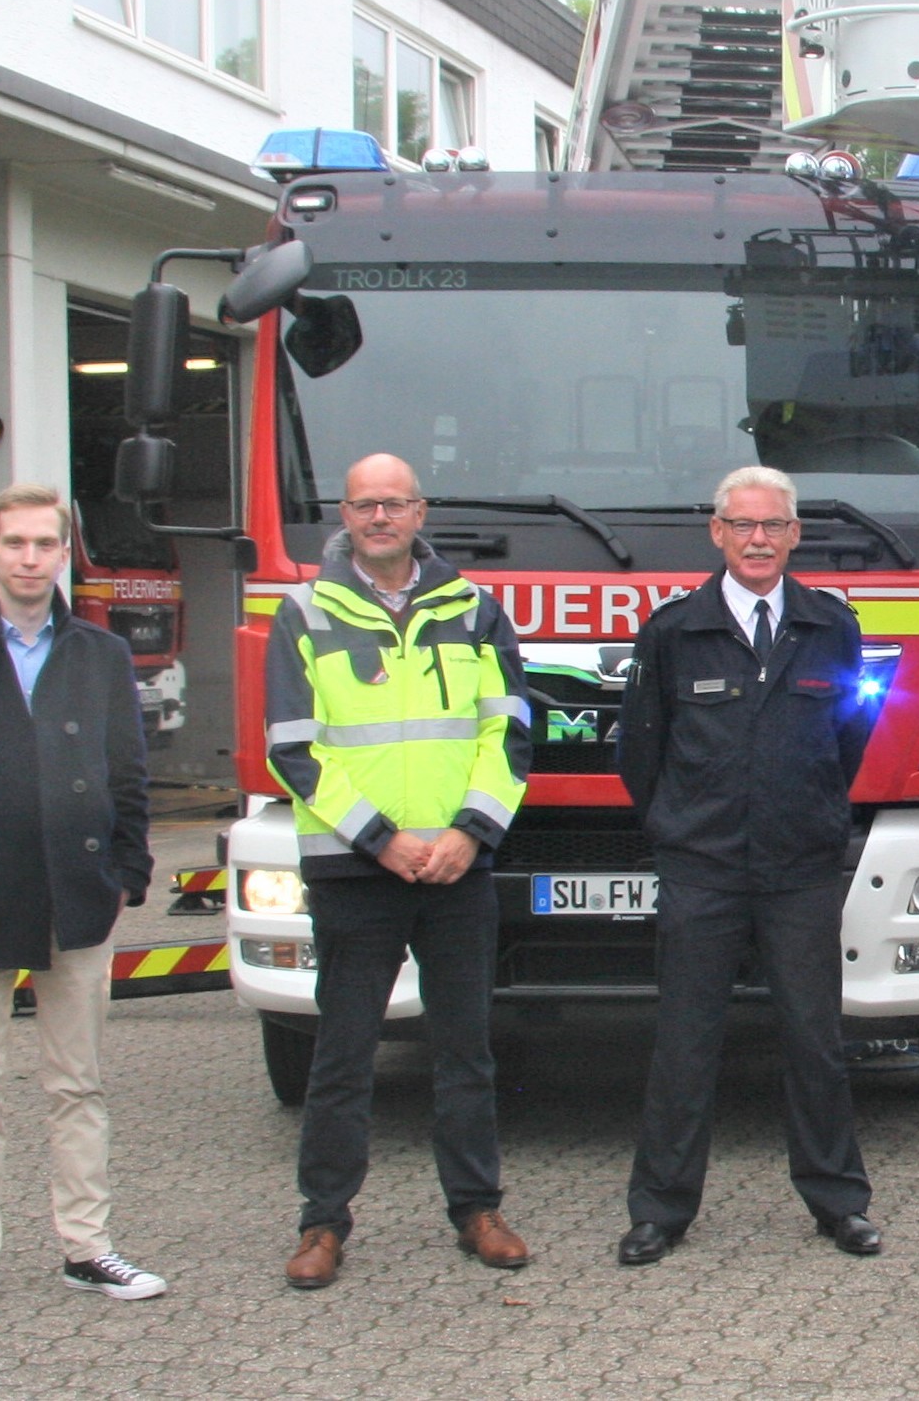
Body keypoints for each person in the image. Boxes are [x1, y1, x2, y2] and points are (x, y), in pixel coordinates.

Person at [0, 485, 167, 1317]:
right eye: (12, 542)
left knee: (75, 1085)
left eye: (42, 544)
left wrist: (128, 873)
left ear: (60, 557)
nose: (26, 558)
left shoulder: (100, 655)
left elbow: (128, 773)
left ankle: (87, 1248)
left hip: (75, 895)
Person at [264, 454, 533, 1289]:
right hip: (354, 869)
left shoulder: (477, 610)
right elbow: (292, 750)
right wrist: (379, 839)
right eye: (364, 504)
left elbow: (511, 733)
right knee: (341, 1056)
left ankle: (476, 1209)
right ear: (344, 516)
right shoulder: (304, 612)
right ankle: (322, 1224)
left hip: (458, 867)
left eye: (395, 503)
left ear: (421, 512)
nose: (380, 517)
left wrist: (470, 834)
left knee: (466, 1051)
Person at [613, 465, 883, 1265]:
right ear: (718, 533)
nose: (758, 540)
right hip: (702, 869)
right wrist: (679, 824)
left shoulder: (828, 626)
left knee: (815, 1040)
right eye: (743, 526)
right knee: (685, 1043)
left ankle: (839, 1203)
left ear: (794, 536)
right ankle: (660, 1210)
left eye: (773, 526)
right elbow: (640, 750)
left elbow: (847, 737)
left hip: (799, 868)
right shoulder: (674, 631)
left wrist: (810, 810)